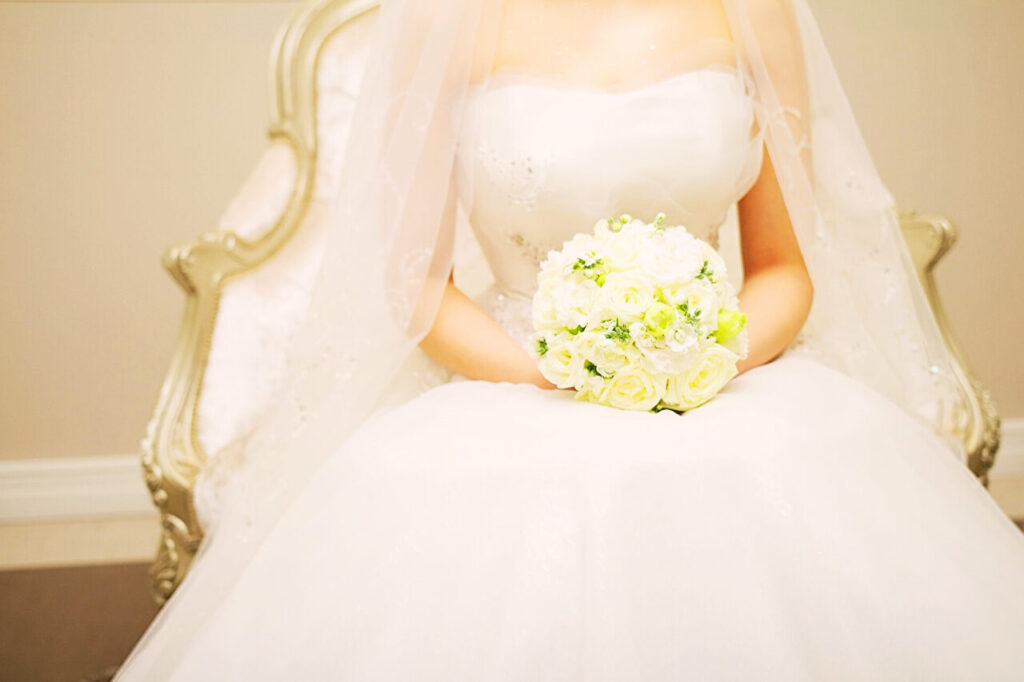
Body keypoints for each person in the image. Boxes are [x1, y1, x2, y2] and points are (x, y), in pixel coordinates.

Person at [116, 0, 1024, 679]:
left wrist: (692, 361)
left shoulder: (755, 12)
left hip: (715, 375)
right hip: (517, 376)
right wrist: (558, 372)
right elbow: (414, 284)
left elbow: (785, 269)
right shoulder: (444, 17)